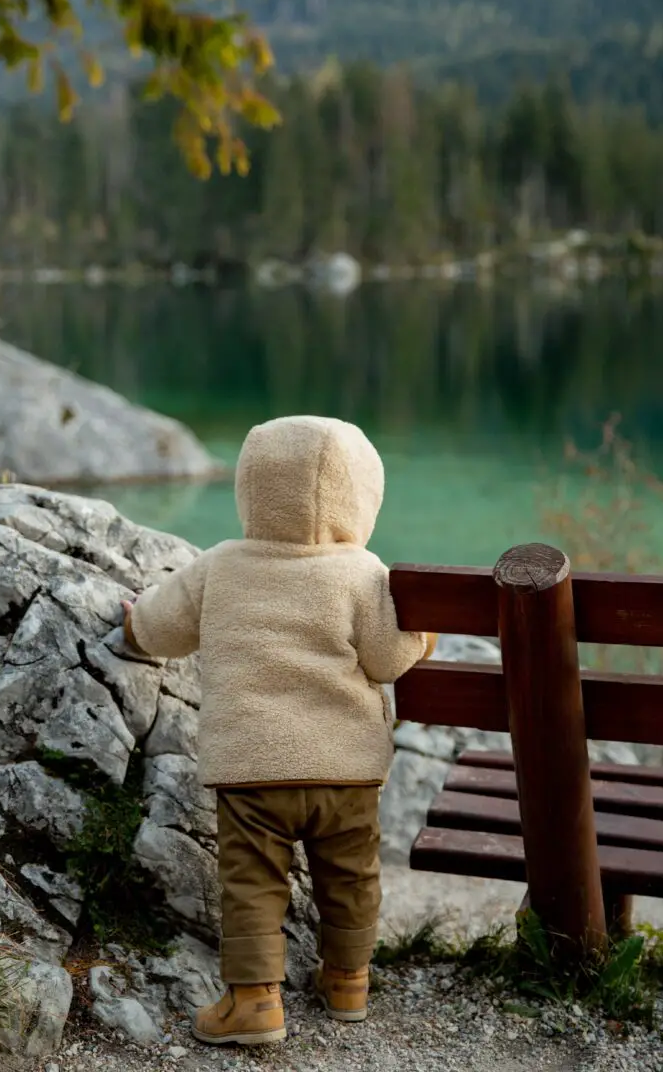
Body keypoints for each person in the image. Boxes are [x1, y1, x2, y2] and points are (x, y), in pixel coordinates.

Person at [121, 415, 437, 1046]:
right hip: (345, 769)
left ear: (251, 488)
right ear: (361, 499)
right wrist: (423, 634)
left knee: (251, 881)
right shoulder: (362, 572)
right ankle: (348, 978)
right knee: (351, 874)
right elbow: (387, 659)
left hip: (252, 767)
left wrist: (131, 624)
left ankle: (254, 1001)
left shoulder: (221, 566)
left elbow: (156, 631)